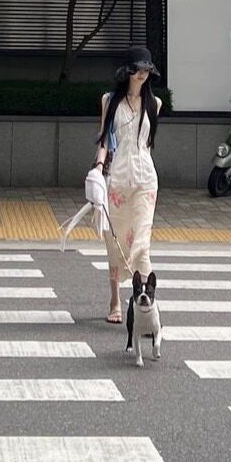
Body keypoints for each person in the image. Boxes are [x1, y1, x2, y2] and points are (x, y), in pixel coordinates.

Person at [93, 46, 160, 324]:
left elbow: (148, 145)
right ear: (128, 71)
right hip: (118, 178)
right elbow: (104, 139)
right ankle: (115, 299)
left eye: (146, 70)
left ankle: (144, 302)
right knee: (116, 239)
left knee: (141, 241)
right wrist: (98, 167)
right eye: (138, 69)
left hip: (146, 179)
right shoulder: (110, 101)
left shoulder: (154, 104)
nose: (142, 74)